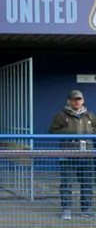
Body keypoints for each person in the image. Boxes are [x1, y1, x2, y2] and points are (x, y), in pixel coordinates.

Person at [49, 90, 95, 220]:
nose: (77, 101)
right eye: (74, 99)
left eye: (79, 99)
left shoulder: (90, 116)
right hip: (68, 154)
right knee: (67, 183)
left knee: (87, 183)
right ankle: (66, 209)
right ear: (69, 101)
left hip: (87, 155)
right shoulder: (62, 115)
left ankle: (86, 209)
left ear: (83, 101)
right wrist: (72, 132)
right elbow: (52, 131)